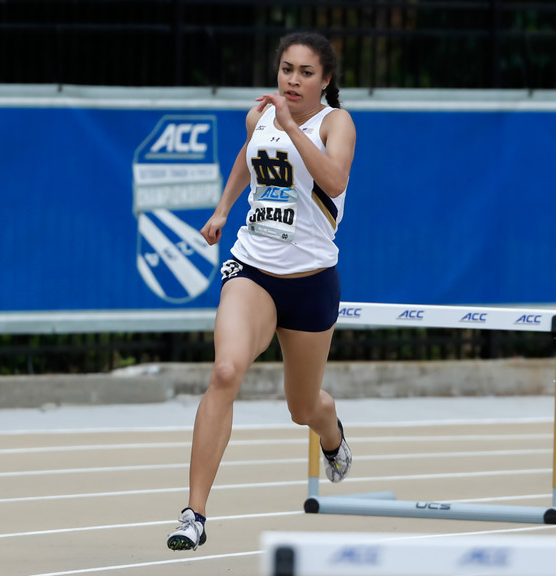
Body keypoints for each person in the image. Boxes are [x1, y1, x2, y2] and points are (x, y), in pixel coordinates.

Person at [166, 31, 357, 552]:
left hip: (312, 282)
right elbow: (245, 159)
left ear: (325, 80)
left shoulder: (334, 123)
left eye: (305, 73)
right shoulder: (260, 117)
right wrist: (223, 210)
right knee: (226, 370)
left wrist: (293, 127)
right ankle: (194, 514)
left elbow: (334, 179)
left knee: (302, 408)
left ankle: (331, 431)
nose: (292, 80)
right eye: (286, 69)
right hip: (253, 269)